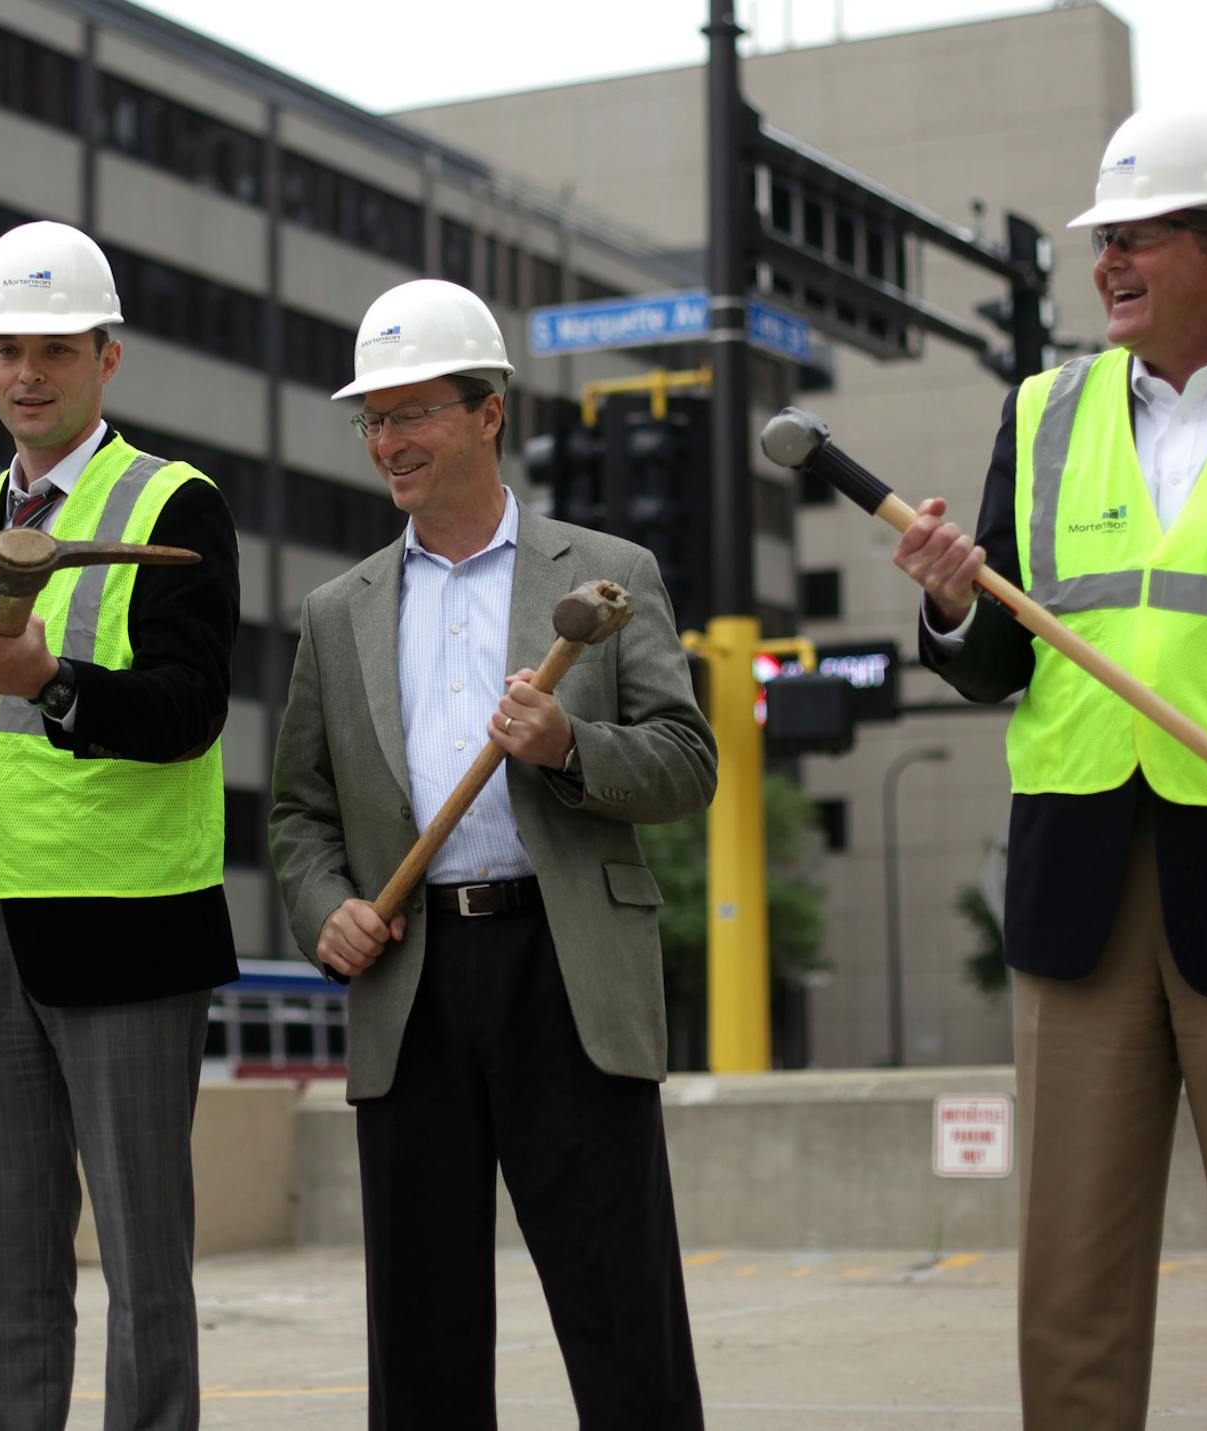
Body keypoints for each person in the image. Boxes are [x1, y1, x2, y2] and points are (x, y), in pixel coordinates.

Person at [267, 278, 715, 1429]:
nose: (388, 441)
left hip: (568, 975)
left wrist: (569, 743)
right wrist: (325, 909)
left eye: (413, 411)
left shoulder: (607, 573)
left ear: (487, 412)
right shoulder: (337, 612)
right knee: (420, 1336)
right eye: (374, 418)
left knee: (623, 1316)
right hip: (411, 983)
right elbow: (297, 817)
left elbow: (685, 762)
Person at [894, 108, 1207, 1429]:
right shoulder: (1044, 412)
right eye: (1102, 240)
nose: (1106, 262)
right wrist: (950, 602)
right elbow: (997, 659)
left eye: (1135, 237)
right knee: (1072, 1286)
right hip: (1083, 886)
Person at [0, 220, 240, 1431]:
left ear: (107, 357)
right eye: (4, 350)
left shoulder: (172, 502)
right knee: (3, 1262)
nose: (24, 373)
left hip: (132, 933)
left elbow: (190, 713)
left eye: (51, 348)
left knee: (146, 1266)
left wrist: (56, 685)